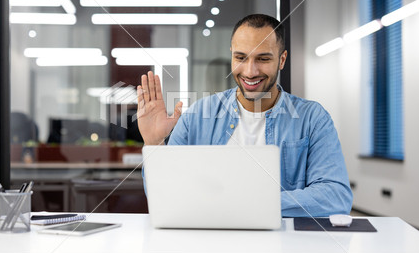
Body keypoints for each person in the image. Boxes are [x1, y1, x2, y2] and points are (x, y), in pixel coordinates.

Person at [136, 14, 353, 217]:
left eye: (263, 59)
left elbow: (336, 197)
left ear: (282, 59)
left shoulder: (312, 118)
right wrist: (154, 143)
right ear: (231, 54)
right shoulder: (197, 116)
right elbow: (164, 194)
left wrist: (247, 204)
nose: (250, 71)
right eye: (241, 57)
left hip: (282, 248)